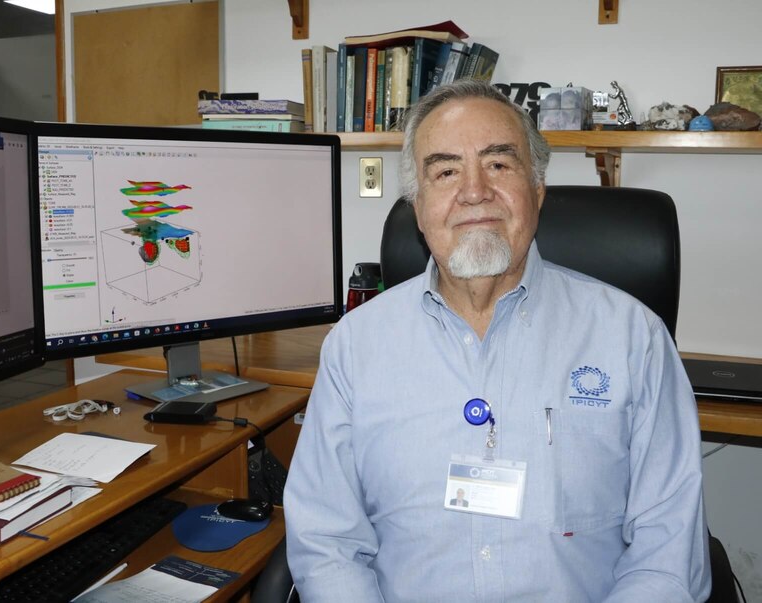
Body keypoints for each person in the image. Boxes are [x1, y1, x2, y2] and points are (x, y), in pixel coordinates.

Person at [284, 79, 710, 602]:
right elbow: (325, 542)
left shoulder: (632, 338)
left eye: (499, 164)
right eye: (445, 171)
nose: (474, 191)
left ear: (537, 190)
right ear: (418, 209)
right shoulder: (355, 345)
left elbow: (667, 554)